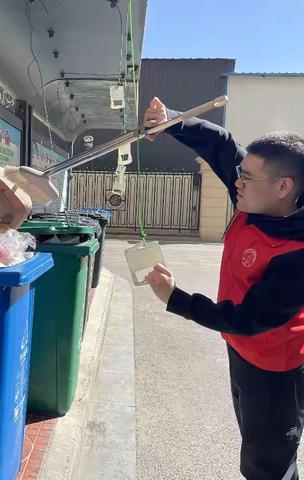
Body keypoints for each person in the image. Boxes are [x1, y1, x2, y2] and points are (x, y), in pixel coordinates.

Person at [143, 97, 304, 480]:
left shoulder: (297, 252)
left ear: (284, 186)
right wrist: (173, 124)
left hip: (274, 367)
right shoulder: (256, 202)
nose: (237, 181)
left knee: (268, 464)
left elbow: (248, 319)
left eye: (247, 177)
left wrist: (176, 299)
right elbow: (223, 145)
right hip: (241, 350)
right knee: (253, 440)